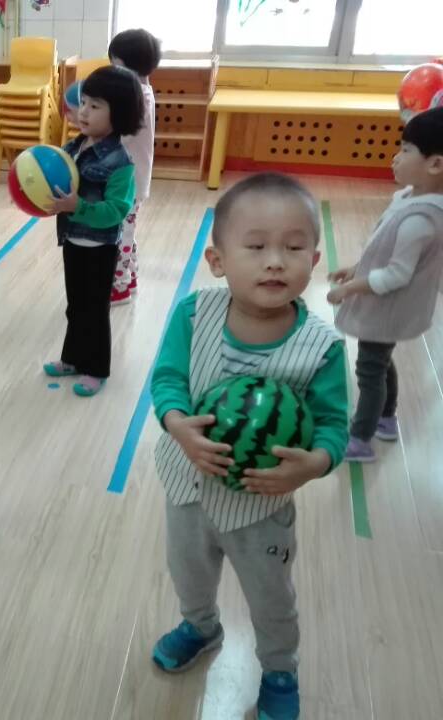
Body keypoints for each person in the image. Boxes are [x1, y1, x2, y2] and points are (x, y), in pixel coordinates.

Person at [150, 173, 348, 720]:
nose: (275, 262)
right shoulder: (194, 314)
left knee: (271, 598)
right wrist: (177, 424)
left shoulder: (322, 348)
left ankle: (280, 668)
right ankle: (200, 626)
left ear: (314, 259)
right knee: (188, 573)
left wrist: (314, 463)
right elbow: (168, 379)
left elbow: (334, 425)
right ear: (217, 261)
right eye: (256, 247)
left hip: (260, 508)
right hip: (187, 488)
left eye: (294, 248)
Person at [328, 106, 443, 462]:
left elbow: (396, 274)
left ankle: (360, 439)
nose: (395, 157)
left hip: (388, 307)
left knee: (369, 370)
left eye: (406, 150)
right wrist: (356, 268)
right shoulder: (410, 199)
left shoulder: (421, 220)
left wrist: (350, 289)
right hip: (390, 308)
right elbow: (383, 251)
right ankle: (386, 419)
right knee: (379, 361)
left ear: (435, 164)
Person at [43, 66, 144, 397]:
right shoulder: (75, 146)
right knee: (75, 306)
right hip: (73, 241)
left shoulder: (120, 163)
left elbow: (116, 211)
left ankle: (97, 368)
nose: (83, 111)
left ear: (120, 115)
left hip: (100, 249)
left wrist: (78, 207)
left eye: (95, 105)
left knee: (95, 311)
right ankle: (72, 359)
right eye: (83, 102)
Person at [107, 28, 161, 305]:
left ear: (124, 65)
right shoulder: (144, 91)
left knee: (119, 234)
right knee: (127, 230)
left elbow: (121, 134)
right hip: (133, 179)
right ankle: (131, 277)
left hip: (128, 181)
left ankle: (119, 287)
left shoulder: (137, 97)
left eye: (114, 63)